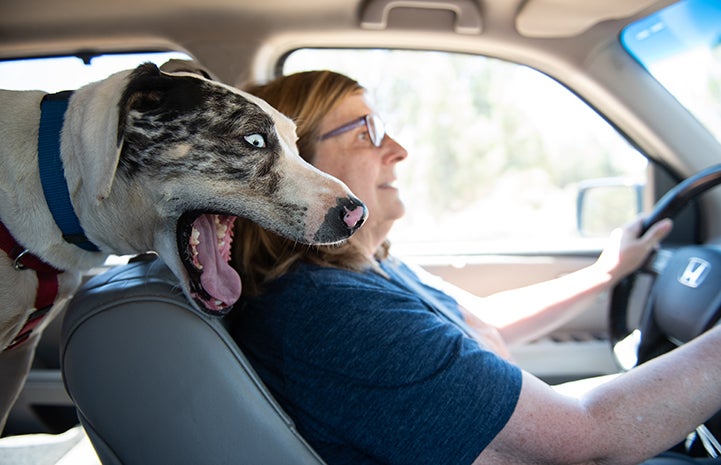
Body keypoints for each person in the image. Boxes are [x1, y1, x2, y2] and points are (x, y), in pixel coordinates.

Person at [229, 70, 721, 464]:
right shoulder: (333, 311)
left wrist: (605, 273)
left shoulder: (373, 266)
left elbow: (479, 322)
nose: (398, 150)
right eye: (367, 132)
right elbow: (589, 440)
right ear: (299, 167)